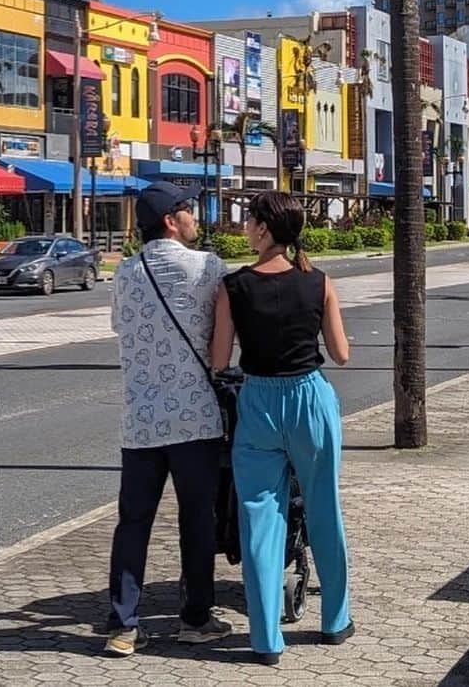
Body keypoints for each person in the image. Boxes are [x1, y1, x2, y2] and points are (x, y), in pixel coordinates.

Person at [210, 190, 353, 666]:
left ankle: (266, 638)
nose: (245, 229)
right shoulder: (320, 282)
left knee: (259, 521)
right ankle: (334, 620)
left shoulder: (233, 287)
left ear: (266, 229)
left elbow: (218, 359)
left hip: (259, 401)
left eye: (249, 222)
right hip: (310, 398)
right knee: (323, 508)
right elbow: (341, 353)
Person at [105, 181, 232, 657]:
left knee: (133, 523)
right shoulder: (207, 268)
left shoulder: (125, 273)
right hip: (194, 419)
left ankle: (123, 625)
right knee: (196, 519)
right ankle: (195, 618)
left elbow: (119, 326)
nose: (196, 218)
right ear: (170, 221)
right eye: (189, 211)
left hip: (139, 422)